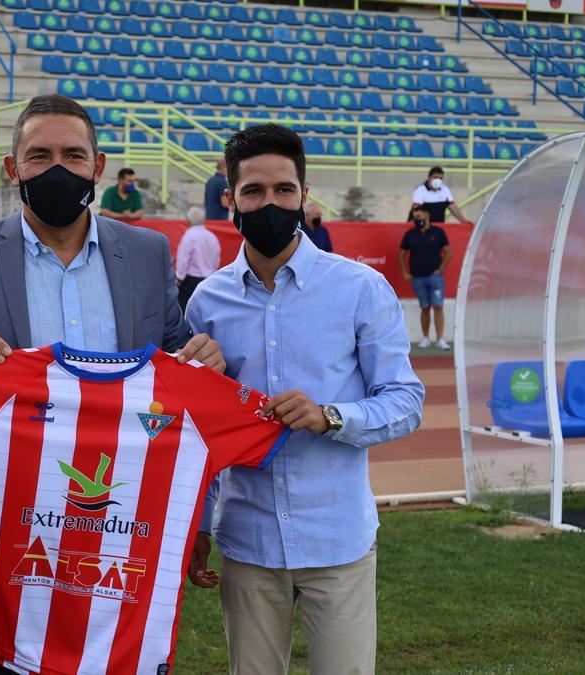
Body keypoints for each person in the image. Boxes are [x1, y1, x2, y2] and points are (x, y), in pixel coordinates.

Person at [0, 93, 225, 674]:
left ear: (98, 167)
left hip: (127, 522)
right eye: (39, 155)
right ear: (13, 168)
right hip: (7, 531)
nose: (57, 168)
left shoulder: (148, 252)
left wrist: (200, 360)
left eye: (73, 155)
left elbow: (173, 364)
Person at [184, 124, 424, 675]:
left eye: (284, 191)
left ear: (304, 196)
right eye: (254, 192)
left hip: (337, 540)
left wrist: (330, 416)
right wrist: (199, 524)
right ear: (230, 200)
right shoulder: (207, 301)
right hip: (247, 541)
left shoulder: (360, 288)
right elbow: (202, 429)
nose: (270, 203)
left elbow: (406, 400)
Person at [400, 205, 452, 350]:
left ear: (427, 215)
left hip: (435, 277)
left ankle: (440, 339)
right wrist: (405, 272)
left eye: (420, 216)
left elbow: (448, 252)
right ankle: (425, 338)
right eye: (415, 217)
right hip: (417, 277)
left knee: (438, 306)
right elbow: (401, 253)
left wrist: (441, 268)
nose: (418, 219)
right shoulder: (410, 234)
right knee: (424, 307)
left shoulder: (438, 232)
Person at [176, 205, 221, 310]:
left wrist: (179, 278)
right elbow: (216, 259)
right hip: (209, 280)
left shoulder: (189, 236)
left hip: (191, 281)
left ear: (188, 220)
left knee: (186, 311)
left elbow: (183, 260)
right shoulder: (212, 237)